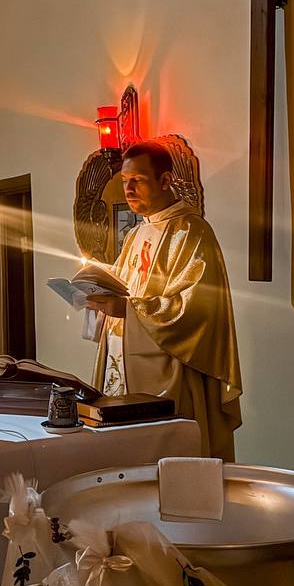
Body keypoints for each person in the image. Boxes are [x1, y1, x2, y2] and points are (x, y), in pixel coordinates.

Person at [85, 141, 242, 461]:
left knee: (167, 464)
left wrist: (128, 310)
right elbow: (121, 289)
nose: (128, 189)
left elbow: (196, 310)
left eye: (137, 180)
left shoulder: (192, 232)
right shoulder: (135, 235)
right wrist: (97, 300)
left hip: (169, 372)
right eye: (124, 181)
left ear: (166, 180)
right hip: (121, 365)